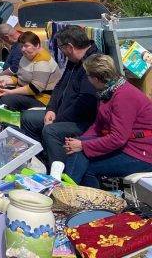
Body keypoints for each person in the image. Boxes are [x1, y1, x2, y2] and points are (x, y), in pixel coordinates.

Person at [65, 54, 152, 187]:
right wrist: (78, 141)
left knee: (88, 168)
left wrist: (83, 145)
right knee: (76, 150)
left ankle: (71, 194)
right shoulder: (107, 91)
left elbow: (118, 138)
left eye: (87, 75)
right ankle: (68, 193)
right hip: (127, 145)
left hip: (141, 153)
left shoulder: (124, 96)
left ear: (95, 78)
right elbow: (97, 126)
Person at [21, 25, 99, 165]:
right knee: (28, 118)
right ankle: (42, 160)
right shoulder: (74, 61)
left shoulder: (92, 64)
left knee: (50, 130)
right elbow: (59, 86)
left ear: (70, 46)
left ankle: (58, 170)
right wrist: (51, 109)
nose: (61, 52)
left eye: (61, 48)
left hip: (82, 121)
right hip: (63, 113)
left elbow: (84, 104)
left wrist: (57, 119)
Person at [0, 31, 61, 111]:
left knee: (7, 100)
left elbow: (35, 89)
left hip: (42, 99)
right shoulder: (26, 56)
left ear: (37, 45)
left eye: (26, 46)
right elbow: (19, 75)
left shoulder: (43, 61)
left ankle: (9, 121)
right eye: (21, 46)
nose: (23, 49)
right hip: (27, 94)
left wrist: (10, 92)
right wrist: (7, 82)